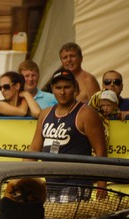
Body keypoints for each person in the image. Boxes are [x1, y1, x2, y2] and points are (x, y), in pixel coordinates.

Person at [29, 69, 107, 201]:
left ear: (76, 88)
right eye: (58, 87)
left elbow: (101, 152)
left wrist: (102, 186)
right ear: (52, 89)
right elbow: (34, 149)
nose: (62, 92)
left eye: (67, 87)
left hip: (76, 183)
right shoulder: (45, 114)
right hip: (49, 182)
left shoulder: (86, 114)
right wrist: (20, 177)